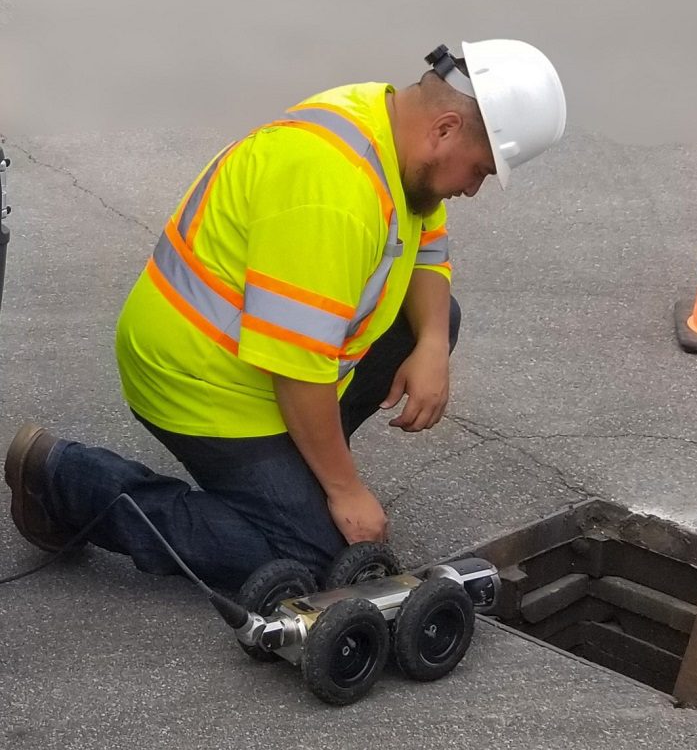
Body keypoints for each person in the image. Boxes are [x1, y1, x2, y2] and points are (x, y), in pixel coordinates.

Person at [5, 40, 566, 591]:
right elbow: (297, 371)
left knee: (435, 322)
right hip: (198, 378)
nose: (473, 188)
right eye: (481, 170)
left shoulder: (389, 121)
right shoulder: (331, 192)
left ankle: (298, 470)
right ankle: (64, 481)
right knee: (312, 559)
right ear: (445, 129)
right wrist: (345, 491)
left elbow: (427, 248)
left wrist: (434, 348)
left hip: (267, 359)